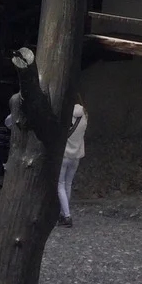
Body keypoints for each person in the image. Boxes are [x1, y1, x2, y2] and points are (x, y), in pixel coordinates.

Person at [57, 95, 87, 228]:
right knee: (68, 184)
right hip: (76, 155)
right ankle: (64, 214)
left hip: (64, 154)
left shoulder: (65, 114)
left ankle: (67, 215)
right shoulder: (85, 115)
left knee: (60, 184)